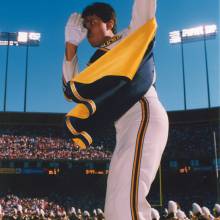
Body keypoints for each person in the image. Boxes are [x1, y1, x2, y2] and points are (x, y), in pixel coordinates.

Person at [62, 1, 169, 219]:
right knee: (115, 208)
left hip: (143, 112)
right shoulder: (94, 64)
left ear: (110, 23)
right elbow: (70, 89)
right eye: (85, 23)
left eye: (92, 22)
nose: (87, 27)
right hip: (124, 127)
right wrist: (71, 45)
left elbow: (145, 9)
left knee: (127, 205)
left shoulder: (131, 34)